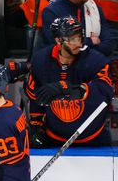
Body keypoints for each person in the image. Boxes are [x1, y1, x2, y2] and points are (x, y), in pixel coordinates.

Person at [26, 16, 112, 147]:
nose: (78, 43)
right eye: (72, 39)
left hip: (93, 138)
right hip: (54, 138)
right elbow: (36, 96)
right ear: (58, 41)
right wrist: (36, 125)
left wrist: (69, 88)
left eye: (80, 37)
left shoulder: (96, 61)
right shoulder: (40, 60)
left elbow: (105, 91)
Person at [40, 0, 114, 58]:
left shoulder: (94, 8)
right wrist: (90, 41)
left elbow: (108, 44)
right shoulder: (52, 12)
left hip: (95, 65)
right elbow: (61, 47)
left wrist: (84, 49)